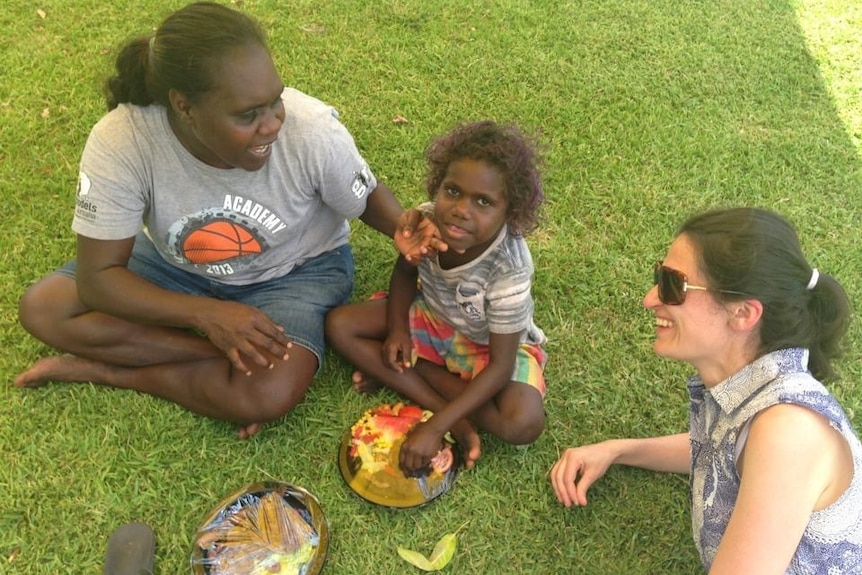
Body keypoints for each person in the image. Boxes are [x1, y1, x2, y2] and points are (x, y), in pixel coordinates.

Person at [14, 2, 442, 439]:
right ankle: (223, 359)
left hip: (296, 271)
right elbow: (99, 278)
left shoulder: (310, 129)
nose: (272, 124)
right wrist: (208, 316)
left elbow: (364, 195)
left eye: (275, 101)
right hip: (178, 266)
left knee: (267, 393)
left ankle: (111, 370)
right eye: (248, 115)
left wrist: (401, 228)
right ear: (183, 107)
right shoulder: (123, 139)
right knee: (46, 308)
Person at [550, 207, 862, 573]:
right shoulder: (748, 386)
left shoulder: (788, 433)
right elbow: (721, 449)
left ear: (743, 314)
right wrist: (618, 450)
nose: (650, 299)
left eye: (673, 285)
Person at [326, 120, 548, 473]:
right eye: (453, 191)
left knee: (522, 423)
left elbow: (501, 367)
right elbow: (404, 272)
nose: (461, 209)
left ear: (511, 212)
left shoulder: (510, 269)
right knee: (339, 325)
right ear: (438, 186)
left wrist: (434, 426)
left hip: (488, 346)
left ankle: (413, 371)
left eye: (483, 202)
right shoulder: (429, 220)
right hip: (430, 317)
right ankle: (435, 393)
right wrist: (398, 330)